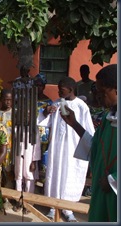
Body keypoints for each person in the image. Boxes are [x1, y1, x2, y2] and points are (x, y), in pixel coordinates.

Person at [61, 64, 117, 222]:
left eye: (102, 91)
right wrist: (74, 124)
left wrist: (113, 180)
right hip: (102, 193)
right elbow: (95, 147)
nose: (97, 96)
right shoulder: (108, 119)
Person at [38, 77, 95, 222]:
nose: (58, 92)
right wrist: (46, 112)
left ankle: (68, 209)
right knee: (55, 174)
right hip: (57, 148)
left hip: (73, 149)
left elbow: (89, 131)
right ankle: (52, 207)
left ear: (71, 89)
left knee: (70, 175)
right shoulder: (56, 104)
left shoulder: (81, 106)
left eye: (61, 89)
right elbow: (44, 122)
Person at [12, 65, 41, 213]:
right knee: (18, 177)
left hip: (30, 158)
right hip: (19, 155)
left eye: (29, 114)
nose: (26, 116)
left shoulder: (33, 128)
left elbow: (37, 146)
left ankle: (29, 203)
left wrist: (35, 162)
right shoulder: (17, 127)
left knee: (29, 178)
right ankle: (18, 200)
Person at [0, 89, 14, 210]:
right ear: (1, 100)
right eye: (5, 99)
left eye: (10, 100)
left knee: (9, 173)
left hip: (11, 149)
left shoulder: (15, 113)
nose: (8, 102)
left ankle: (8, 198)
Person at [33, 73, 53, 183]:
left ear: (44, 86)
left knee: (43, 160)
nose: (38, 87)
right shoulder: (29, 100)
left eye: (40, 85)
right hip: (31, 133)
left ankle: (43, 184)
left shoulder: (49, 102)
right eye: (36, 85)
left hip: (44, 134)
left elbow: (50, 121)